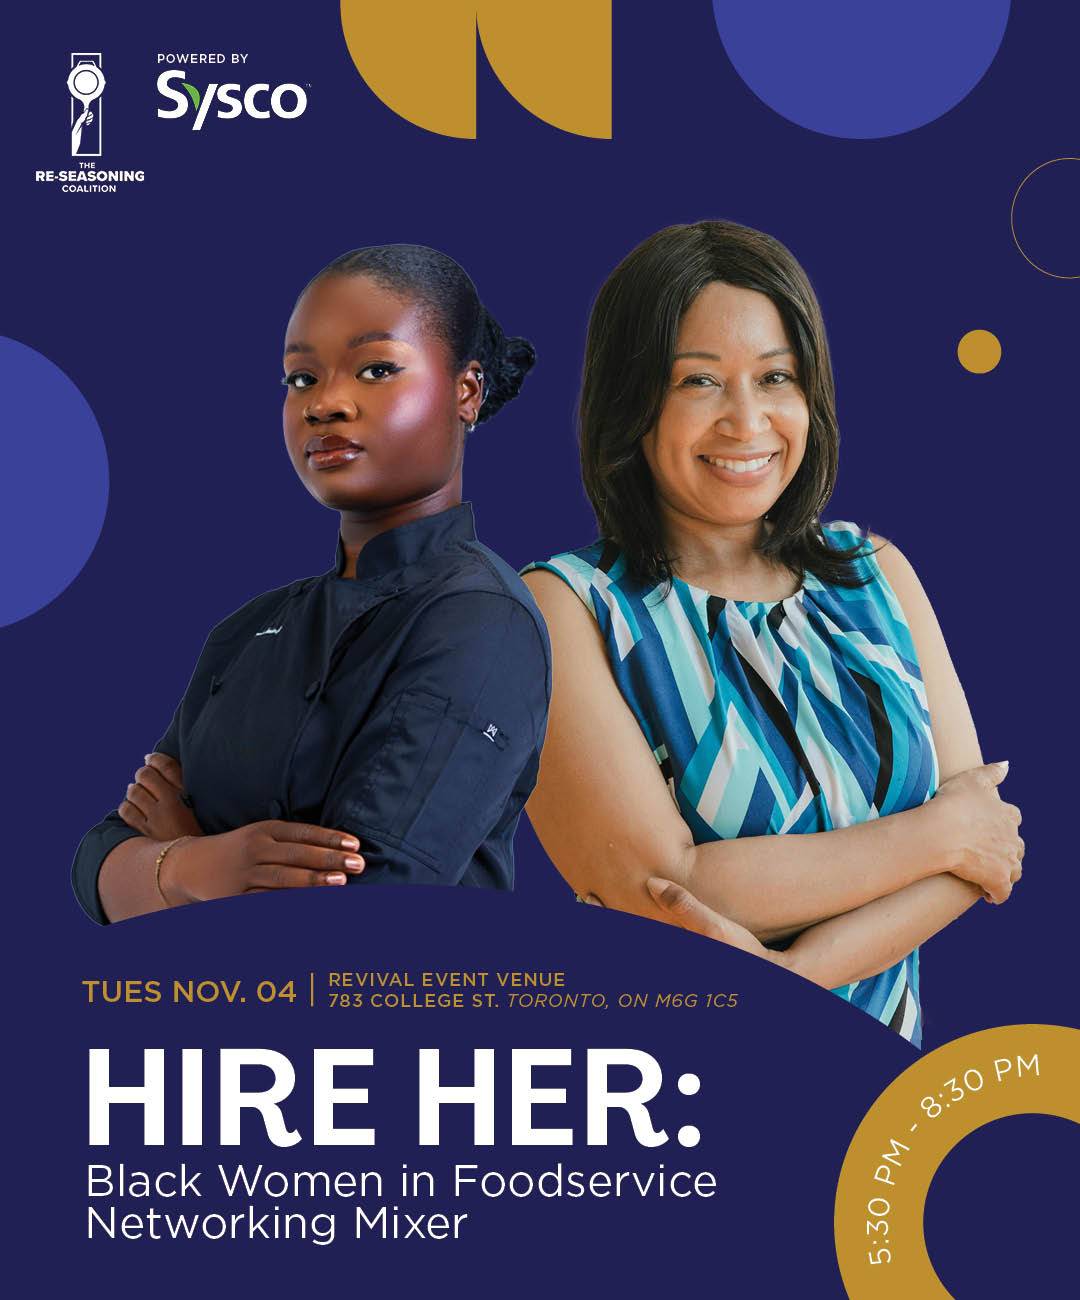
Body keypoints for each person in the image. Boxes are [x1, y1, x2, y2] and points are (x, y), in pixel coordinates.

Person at [522, 220, 1023, 1044]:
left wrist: (792, 979)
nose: (746, 421)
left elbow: (986, 852)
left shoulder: (875, 571)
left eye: (776, 377)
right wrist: (934, 835)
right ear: (631, 401)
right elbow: (666, 891)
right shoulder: (563, 608)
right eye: (699, 383)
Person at [71, 244, 550, 923]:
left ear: (465, 391)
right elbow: (95, 857)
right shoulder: (243, 632)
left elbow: (367, 913)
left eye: (377, 368)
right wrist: (195, 865)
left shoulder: (480, 620)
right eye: (301, 379)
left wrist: (172, 853)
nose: (326, 404)